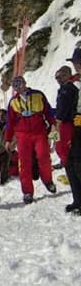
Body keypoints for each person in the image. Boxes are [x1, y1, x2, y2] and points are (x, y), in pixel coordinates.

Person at [4, 76, 56, 204]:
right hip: (22, 135)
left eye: (20, 84)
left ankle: (48, 180)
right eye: (15, 86)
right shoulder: (13, 102)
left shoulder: (38, 95)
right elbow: (10, 122)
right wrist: (8, 139)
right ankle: (27, 191)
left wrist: (53, 125)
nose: (18, 87)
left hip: (39, 132)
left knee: (44, 156)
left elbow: (48, 112)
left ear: (25, 83)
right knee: (24, 162)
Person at [65, 48, 81, 212]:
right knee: (70, 163)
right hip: (77, 127)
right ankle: (78, 199)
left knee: (77, 163)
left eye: (78, 63)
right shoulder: (76, 82)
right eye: (75, 63)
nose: (76, 66)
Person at [54, 66, 77, 169]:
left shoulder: (69, 89)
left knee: (62, 147)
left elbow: (65, 107)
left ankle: (69, 167)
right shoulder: (63, 89)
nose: (59, 79)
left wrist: (58, 120)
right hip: (63, 122)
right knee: (60, 146)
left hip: (66, 122)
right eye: (57, 77)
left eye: (61, 76)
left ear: (68, 75)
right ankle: (67, 165)